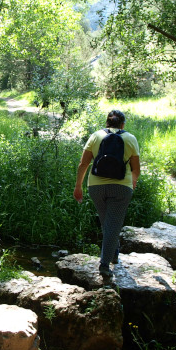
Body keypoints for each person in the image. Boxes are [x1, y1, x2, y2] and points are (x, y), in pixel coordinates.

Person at [73, 110, 140, 284]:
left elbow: (84, 164)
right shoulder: (130, 138)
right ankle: (104, 264)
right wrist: (131, 185)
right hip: (121, 188)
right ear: (122, 124)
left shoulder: (96, 136)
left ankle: (114, 253)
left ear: (107, 123)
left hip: (96, 187)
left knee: (107, 223)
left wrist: (78, 186)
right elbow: (136, 169)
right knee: (112, 225)